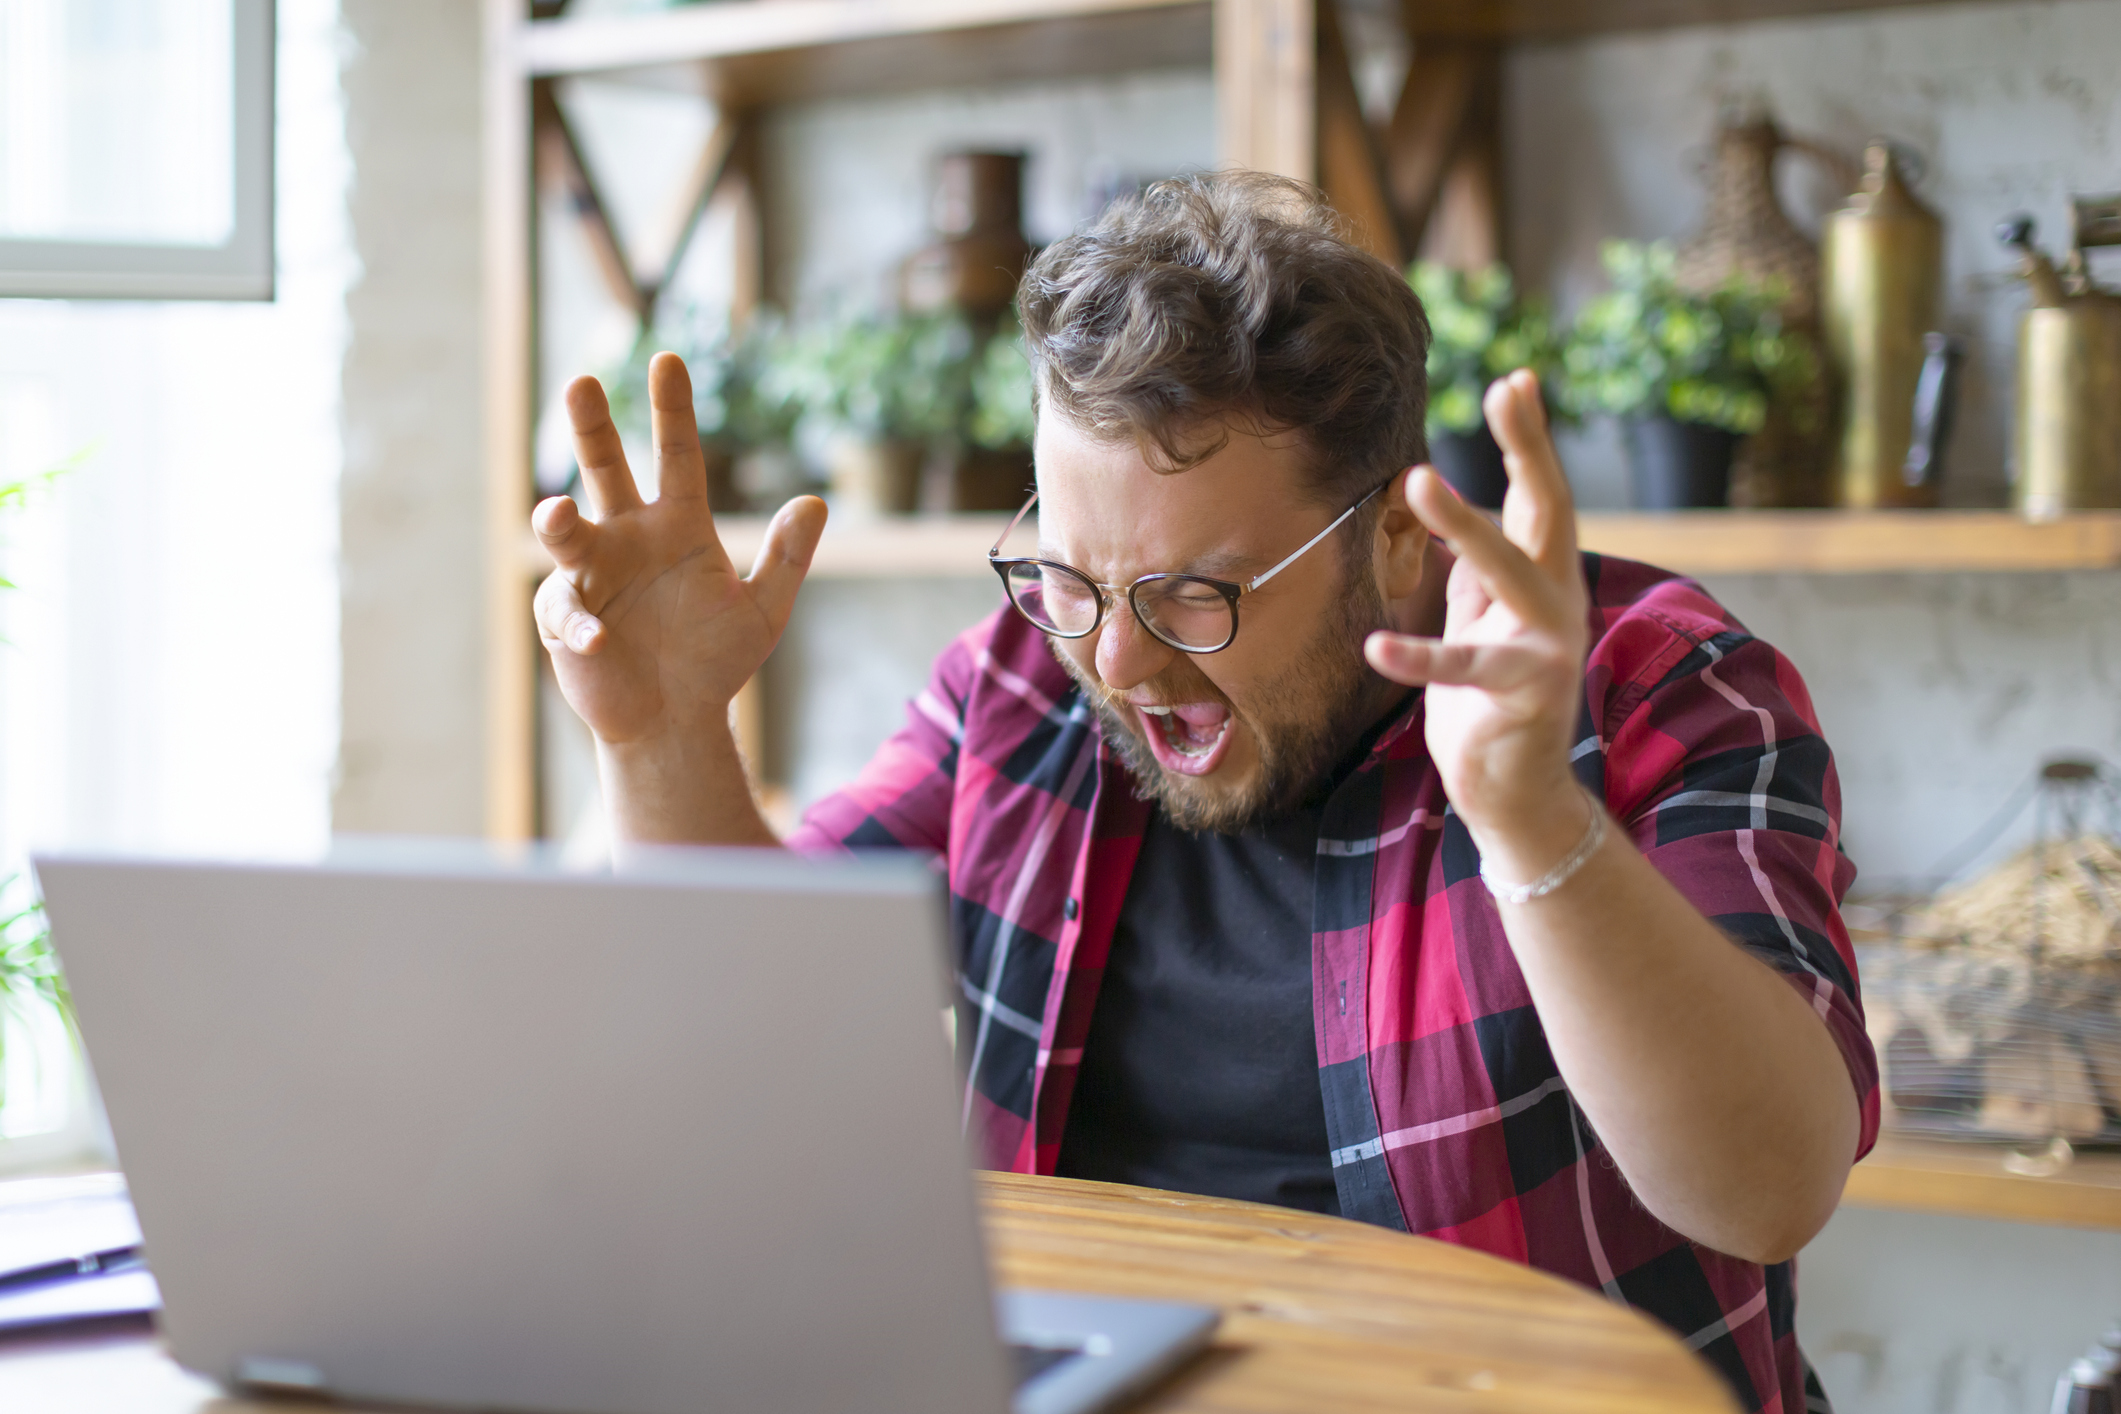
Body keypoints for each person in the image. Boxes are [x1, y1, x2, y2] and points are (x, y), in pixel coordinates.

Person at [531, 173, 1876, 1412]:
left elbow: (1766, 1189)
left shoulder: (1650, 679)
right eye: (1071, 575)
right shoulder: (1022, 678)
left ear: (1395, 539)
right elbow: (742, 1031)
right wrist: (661, 736)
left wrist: (1530, 812)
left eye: (1195, 592)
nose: (1115, 658)